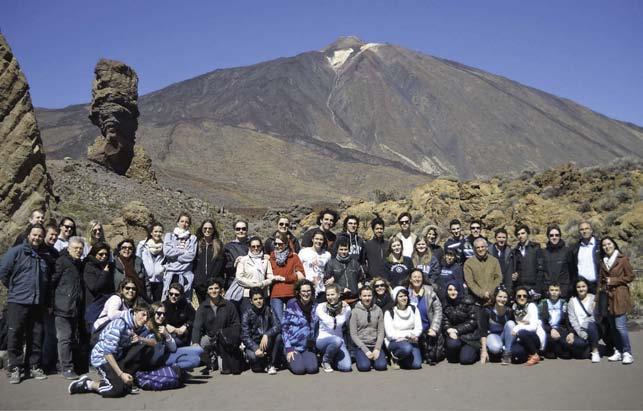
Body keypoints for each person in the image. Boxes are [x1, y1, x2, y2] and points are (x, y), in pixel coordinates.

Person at [0, 224, 50, 384]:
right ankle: (15, 367)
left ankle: (33, 365)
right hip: (18, 301)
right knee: (15, 334)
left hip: (37, 302)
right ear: (28, 235)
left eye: (40, 236)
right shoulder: (16, 251)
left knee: (36, 335)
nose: (37, 238)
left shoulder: (44, 255)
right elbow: (4, 272)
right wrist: (15, 288)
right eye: (34, 235)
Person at [68, 303, 150, 397]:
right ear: (135, 312)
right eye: (143, 315)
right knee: (116, 389)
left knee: (143, 346)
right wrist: (121, 374)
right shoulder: (120, 324)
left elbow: (153, 341)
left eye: (147, 316)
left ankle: (124, 380)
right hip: (102, 358)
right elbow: (107, 353)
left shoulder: (135, 326)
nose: (145, 319)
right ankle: (88, 384)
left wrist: (140, 339)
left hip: (117, 357)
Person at [191, 279, 243, 375]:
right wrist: (195, 342)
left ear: (221, 290)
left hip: (225, 339)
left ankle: (220, 357)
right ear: (207, 291)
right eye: (210, 288)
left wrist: (230, 337)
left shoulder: (229, 305)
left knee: (224, 369)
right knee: (198, 345)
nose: (213, 291)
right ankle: (210, 360)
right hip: (211, 337)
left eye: (216, 288)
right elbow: (197, 327)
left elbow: (236, 324)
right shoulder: (202, 307)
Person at [51, 236, 85, 380]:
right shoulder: (62, 261)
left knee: (70, 338)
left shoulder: (77, 263)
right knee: (64, 338)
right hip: (62, 306)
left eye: (80, 248)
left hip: (73, 307)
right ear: (68, 248)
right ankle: (67, 368)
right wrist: (52, 303)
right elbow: (52, 282)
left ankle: (63, 365)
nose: (78, 251)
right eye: (75, 248)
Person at [599, 237, 634, 364]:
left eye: (609, 244)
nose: (607, 247)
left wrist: (613, 281)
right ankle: (618, 351)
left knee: (620, 327)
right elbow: (601, 280)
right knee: (613, 327)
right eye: (604, 245)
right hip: (608, 297)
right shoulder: (603, 261)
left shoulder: (622, 259)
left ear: (614, 245)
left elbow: (630, 276)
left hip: (620, 295)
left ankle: (627, 352)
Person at [143, 302, 203, 372]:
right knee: (195, 360)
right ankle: (168, 370)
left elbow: (173, 349)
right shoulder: (147, 328)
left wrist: (167, 335)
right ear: (152, 313)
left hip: (165, 355)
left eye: (164, 314)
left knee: (198, 349)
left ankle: (176, 370)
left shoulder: (162, 326)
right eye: (159, 313)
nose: (162, 316)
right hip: (157, 361)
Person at [240, 287, 283, 374]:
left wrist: (267, 334)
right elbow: (245, 335)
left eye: (260, 298)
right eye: (255, 299)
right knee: (256, 364)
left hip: (267, 341)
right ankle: (258, 360)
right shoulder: (246, 314)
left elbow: (278, 326)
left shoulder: (269, 309)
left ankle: (271, 364)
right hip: (254, 343)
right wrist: (255, 348)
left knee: (278, 337)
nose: (258, 301)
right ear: (251, 301)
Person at [281, 279, 319, 375]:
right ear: (298, 292)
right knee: (299, 370)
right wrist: (289, 348)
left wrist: (342, 304)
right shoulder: (291, 307)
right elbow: (284, 328)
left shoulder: (316, 306)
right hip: (293, 347)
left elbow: (329, 308)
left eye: (308, 291)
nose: (306, 294)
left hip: (308, 347)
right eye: (304, 291)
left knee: (312, 369)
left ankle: (303, 358)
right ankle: (286, 359)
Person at [406, 269, 443, 365]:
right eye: (414, 277)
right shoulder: (406, 293)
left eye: (419, 277)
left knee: (434, 357)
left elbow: (438, 310)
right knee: (416, 361)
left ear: (422, 279)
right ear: (410, 279)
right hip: (413, 331)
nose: (417, 279)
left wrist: (434, 328)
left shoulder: (430, 291)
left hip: (428, 330)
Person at [269, 231, 305, 323]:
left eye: (280, 244)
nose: (277, 246)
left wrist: (285, 278)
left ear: (286, 244)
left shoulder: (293, 257)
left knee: (293, 320)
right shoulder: (271, 257)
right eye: (275, 244)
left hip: (291, 293)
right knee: (279, 322)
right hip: (276, 293)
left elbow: (301, 276)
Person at [315, 284, 352, 372]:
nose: (330, 297)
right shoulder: (321, 307)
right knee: (336, 340)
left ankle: (333, 357)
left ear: (339, 295)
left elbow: (339, 323)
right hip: (322, 340)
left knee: (346, 367)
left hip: (339, 341)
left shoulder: (347, 308)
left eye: (332, 294)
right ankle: (325, 360)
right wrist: (339, 309)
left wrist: (341, 308)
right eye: (328, 295)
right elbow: (331, 324)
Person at [349, 285, 387, 372]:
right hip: (361, 346)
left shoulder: (378, 310)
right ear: (360, 297)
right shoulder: (355, 312)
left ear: (372, 296)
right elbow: (353, 334)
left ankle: (374, 358)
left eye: (369, 295)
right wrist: (366, 350)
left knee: (381, 366)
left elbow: (381, 332)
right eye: (364, 296)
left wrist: (377, 348)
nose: (367, 298)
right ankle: (366, 359)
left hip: (374, 344)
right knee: (364, 367)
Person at [384, 286, 422, 369]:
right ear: (395, 298)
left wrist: (408, 336)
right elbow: (390, 334)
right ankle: (394, 357)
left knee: (417, 365)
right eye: (400, 296)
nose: (404, 298)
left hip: (411, 340)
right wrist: (408, 334)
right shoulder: (389, 312)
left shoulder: (414, 309)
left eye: (405, 296)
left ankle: (401, 360)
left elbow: (419, 328)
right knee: (406, 348)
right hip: (395, 342)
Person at [442, 282, 480, 365]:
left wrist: (456, 330)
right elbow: (445, 321)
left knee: (465, 360)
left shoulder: (468, 301)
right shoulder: (445, 303)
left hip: (469, 336)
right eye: (450, 290)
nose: (453, 292)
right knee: (453, 354)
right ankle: (458, 352)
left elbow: (472, 322)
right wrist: (449, 329)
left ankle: (474, 352)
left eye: (455, 290)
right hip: (454, 335)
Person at [234, 237, 276, 312]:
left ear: (261, 247)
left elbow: (270, 276)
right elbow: (239, 278)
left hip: (262, 294)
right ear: (249, 247)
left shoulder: (265, 261)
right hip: (247, 295)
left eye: (258, 246)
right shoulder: (243, 260)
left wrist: (263, 283)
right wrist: (253, 284)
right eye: (253, 246)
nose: (256, 248)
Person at [163, 213, 197, 300]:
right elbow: (167, 252)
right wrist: (183, 251)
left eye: (186, 222)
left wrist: (175, 256)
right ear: (177, 222)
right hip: (171, 273)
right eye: (182, 221)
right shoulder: (169, 236)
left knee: (185, 301)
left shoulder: (192, 238)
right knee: (167, 299)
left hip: (185, 274)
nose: (184, 224)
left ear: (189, 224)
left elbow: (191, 256)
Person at [566, 278, 600, 362]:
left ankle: (595, 351)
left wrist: (585, 325)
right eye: (578, 287)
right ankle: (589, 346)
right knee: (575, 344)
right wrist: (580, 332)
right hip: (580, 331)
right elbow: (572, 320)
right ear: (575, 288)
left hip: (593, 328)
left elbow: (594, 316)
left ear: (587, 287)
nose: (581, 289)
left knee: (591, 326)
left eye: (583, 286)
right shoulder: (572, 301)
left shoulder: (593, 298)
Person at [479, 286, 515, 365]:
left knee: (511, 324)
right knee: (495, 348)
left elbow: (512, 330)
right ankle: (495, 350)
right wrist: (484, 350)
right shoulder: (487, 310)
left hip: (505, 337)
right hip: (492, 336)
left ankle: (507, 353)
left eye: (505, 297)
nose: (502, 299)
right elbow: (483, 331)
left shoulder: (509, 311)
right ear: (495, 297)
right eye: (500, 296)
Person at [511, 286, 546, 365]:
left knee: (522, 332)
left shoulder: (531, 306)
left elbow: (533, 327)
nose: (522, 298)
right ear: (515, 297)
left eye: (524, 296)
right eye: (519, 296)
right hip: (522, 339)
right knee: (516, 354)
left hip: (535, 337)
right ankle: (527, 353)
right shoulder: (514, 308)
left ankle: (535, 355)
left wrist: (518, 327)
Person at [193, 219, 225, 303]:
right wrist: (196, 282)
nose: (207, 230)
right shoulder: (196, 244)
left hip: (213, 285)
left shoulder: (218, 245)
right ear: (201, 229)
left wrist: (217, 282)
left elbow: (221, 265)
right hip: (199, 285)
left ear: (213, 230)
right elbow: (194, 264)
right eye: (205, 228)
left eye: (210, 228)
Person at [463, 238, 502, 306]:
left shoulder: (494, 261)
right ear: (474, 249)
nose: (480, 249)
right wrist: (482, 293)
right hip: (477, 301)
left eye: (482, 247)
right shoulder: (468, 263)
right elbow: (470, 282)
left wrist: (490, 292)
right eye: (478, 247)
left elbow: (498, 278)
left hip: (493, 299)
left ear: (486, 248)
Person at [324, 237, 363, 303]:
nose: (343, 252)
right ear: (337, 250)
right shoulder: (331, 263)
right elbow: (327, 283)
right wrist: (341, 289)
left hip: (355, 299)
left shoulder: (355, 263)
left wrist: (360, 284)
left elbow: (361, 279)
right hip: (339, 300)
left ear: (349, 250)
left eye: (345, 249)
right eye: (341, 249)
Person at [537, 283, 570, 359]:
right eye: (552, 290)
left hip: (560, 328)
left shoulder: (564, 303)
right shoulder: (543, 303)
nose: (554, 292)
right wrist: (550, 329)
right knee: (550, 342)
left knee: (566, 352)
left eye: (556, 290)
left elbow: (567, 320)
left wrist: (570, 332)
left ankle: (560, 349)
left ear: (560, 292)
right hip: (547, 328)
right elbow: (540, 320)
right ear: (548, 292)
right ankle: (550, 350)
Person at [512, 224, 545, 298]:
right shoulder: (515, 251)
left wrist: (537, 288)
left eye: (523, 233)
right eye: (518, 234)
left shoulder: (536, 248)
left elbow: (541, 269)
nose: (520, 236)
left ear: (527, 234)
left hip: (533, 288)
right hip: (520, 289)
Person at [83, 243, 115, 320]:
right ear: (94, 254)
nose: (104, 256)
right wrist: (105, 273)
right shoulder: (89, 266)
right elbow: (94, 287)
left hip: (106, 305)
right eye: (101, 254)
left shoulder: (107, 266)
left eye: (106, 254)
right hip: (94, 305)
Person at [298, 229, 331, 301]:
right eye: (316, 239)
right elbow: (297, 268)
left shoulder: (327, 255)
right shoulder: (304, 252)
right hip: (307, 289)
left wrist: (331, 279)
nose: (318, 241)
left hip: (321, 289)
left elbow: (330, 270)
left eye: (321, 239)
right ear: (312, 239)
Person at [136, 222, 166, 302]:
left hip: (159, 280)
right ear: (151, 233)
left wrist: (163, 270)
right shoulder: (143, 245)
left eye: (160, 232)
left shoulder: (165, 246)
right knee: (146, 303)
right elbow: (137, 261)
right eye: (155, 231)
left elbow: (167, 261)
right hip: (146, 280)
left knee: (157, 303)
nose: (158, 234)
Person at [542, 225, 572, 298]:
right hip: (548, 292)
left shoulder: (567, 251)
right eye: (551, 235)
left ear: (560, 236)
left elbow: (572, 271)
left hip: (564, 291)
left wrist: (569, 289)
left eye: (557, 235)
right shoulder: (543, 252)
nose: (554, 237)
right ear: (548, 237)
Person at [569, 221, 600, 292]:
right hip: (581, 287)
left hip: (597, 285)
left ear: (591, 230)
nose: (584, 231)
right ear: (579, 232)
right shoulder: (575, 248)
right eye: (582, 229)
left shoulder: (600, 246)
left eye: (587, 228)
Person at [163, 283, 196, 347]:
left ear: (181, 295)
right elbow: (156, 319)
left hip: (183, 333)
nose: (173, 296)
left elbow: (194, 317)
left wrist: (186, 325)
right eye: (171, 294)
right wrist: (166, 325)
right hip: (169, 333)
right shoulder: (164, 305)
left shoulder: (186, 305)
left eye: (176, 294)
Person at [223, 219, 250, 290]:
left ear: (247, 230)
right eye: (238, 229)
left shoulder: (254, 244)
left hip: (251, 281)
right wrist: (234, 264)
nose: (241, 231)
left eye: (243, 229)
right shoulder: (228, 247)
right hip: (233, 282)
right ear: (234, 231)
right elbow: (224, 266)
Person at [363, 215, 389, 281]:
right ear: (373, 230)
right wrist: (367, 272)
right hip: (372, 279)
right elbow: (362, 261)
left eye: (381, 228)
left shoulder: (388, 244)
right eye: (377, 229)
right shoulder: (367, 244)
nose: (379, 230)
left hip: (387, 279)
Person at [488, 228, 514, 294]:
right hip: (491, 283)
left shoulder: (510, 252)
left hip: (505, 283)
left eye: (503, 237)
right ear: (495, 238)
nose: (501, 239)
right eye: (499, 237)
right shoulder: (488, 251)